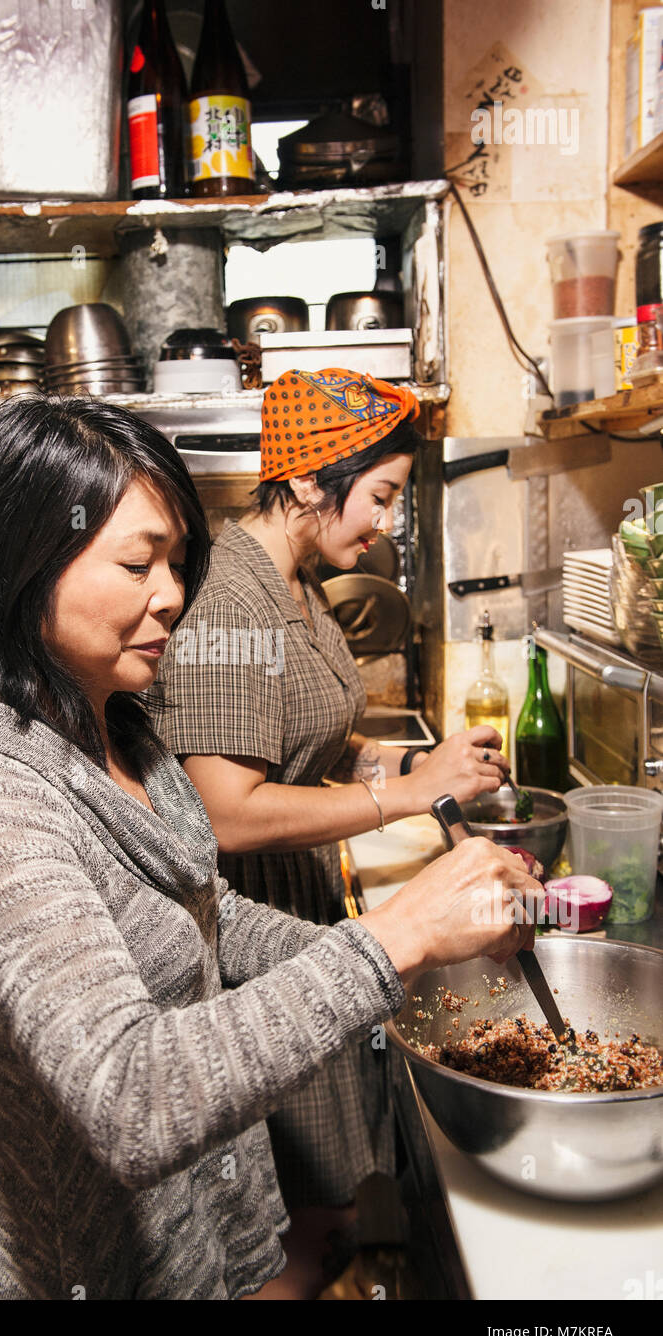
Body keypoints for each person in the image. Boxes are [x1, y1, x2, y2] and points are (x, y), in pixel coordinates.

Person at [0, 394, 538, 1300]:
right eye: (137, 563)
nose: (173, 596)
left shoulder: (112, 727)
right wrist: (393, 940)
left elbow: (207, 918)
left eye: (176, 563)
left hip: (186, 1254)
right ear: (22, 565)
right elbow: (130, 1097)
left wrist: (421, 946)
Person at [151, 369, 511, 1218]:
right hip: (243, 936)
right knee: (297, 1219)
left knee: (331, 1202)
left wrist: (370, 757)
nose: (385, 521)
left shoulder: (295, 580)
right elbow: (226, 811)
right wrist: (410, 794)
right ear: (310, 482)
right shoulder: (229, 602)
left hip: (299, 897)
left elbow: (288, 725)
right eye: (379, 496)